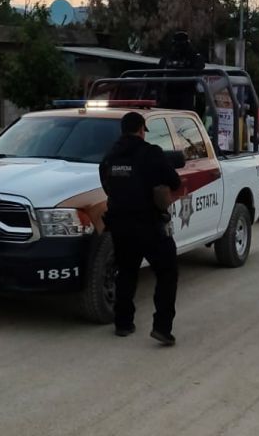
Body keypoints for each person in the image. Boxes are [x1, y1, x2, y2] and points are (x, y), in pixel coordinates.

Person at [98, 111, 183, 346]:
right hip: (149, 224)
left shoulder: (109, 157)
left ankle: (123, 323)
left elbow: (106, 185)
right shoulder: (150, 153)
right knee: (167, 272)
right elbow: (174, 181)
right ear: (141, 129)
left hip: (119, 225)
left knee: (126, 272)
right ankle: (162, 328)